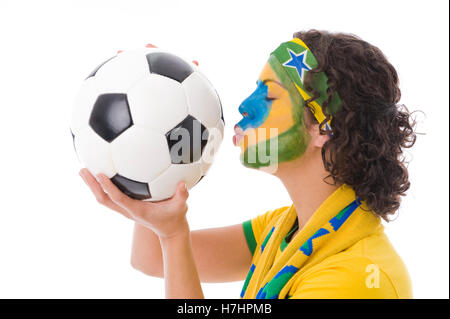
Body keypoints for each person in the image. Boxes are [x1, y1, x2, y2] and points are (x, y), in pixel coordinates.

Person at [79, 29, 417, 299]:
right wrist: (155, 121)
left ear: (322, 127)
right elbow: (153, 259)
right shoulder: (283, 230)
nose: (244, 106)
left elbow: (165, 250)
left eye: (269, 95)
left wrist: (172, 236)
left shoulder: (355, 279)